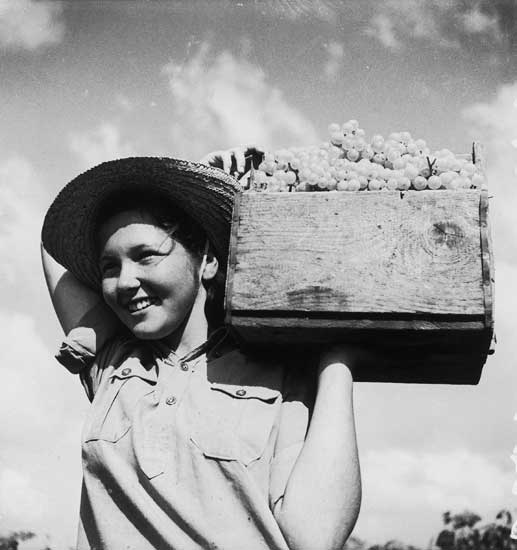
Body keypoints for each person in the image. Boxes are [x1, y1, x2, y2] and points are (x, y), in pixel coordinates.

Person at [41, 152, 361, 550]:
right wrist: (99, 324)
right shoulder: (112, 364)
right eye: (110, 267)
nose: (124, 280)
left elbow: (315, 538)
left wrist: (338, 354)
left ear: (207, 259)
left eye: (146, 256)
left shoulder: (278, 378)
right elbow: (52, 250)